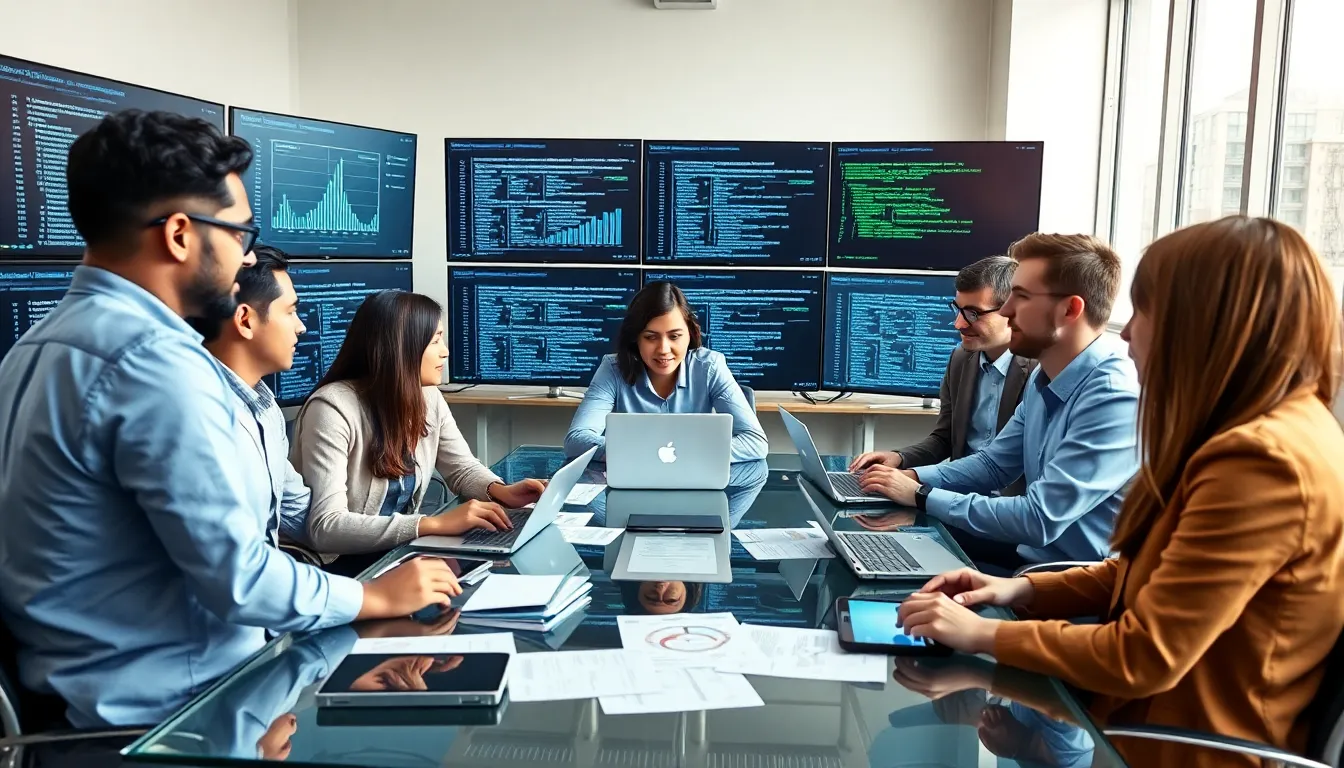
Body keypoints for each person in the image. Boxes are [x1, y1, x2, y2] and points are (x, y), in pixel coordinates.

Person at [0, 110, 459, 729]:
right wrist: (373, 595)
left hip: (85, 702)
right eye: (239, 234)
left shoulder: (33, 348)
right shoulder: (158, 367)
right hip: (170, 716)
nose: (245, 259)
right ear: (182, 235)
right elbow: (240, 578)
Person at [897, 216, 1344, 768]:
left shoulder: (1261, 461)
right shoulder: (1263, 430)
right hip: (1141, 723)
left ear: (1202, 323)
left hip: (1176, 748)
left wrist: (983, 635)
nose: (1128, 332)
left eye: (1145, 312)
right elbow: (1138, 571)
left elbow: (1143, 655)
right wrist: (1018, 592)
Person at [859, 233, 1139, 572]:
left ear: (1069, 310)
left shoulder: (1113, 396)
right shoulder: (1046, 375)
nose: (1005, 310)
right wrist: (912, 476)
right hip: (1030, 560)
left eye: (1020, 297)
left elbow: (1038, 519)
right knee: (875, 549)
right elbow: (993, 466)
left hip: (1070, 582)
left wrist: (920, 495)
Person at [291, 290, 546, 570]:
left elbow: (461, 468)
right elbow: (326, 526)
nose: (445, 350)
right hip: (336, 565)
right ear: (401, 347)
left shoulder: (427, 396)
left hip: (394, 553)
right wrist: (432, 524)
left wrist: (500, 491)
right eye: (435, 340)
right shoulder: (331, 408)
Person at [850, 255, 1036, 566]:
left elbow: (1001, 469)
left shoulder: (1040, 374)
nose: (959, 323)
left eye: (973, 313)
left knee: (885, 542)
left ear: (1012, 312)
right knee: (867, 539)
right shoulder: (961, 359)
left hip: (1005, 520)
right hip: (957, 502)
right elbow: (945, 439)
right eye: (958, 310)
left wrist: (915, 485)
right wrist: (900, 459)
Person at [190, 244, 317, 554]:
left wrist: (411, 532)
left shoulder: (264, 406)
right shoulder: (199, 418)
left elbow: (302, 516)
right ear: (245, 320)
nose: (301, 327)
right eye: (290, 312)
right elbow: (225, 563)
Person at [564, 281, 767, 462]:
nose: (663, 349)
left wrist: (688, 455)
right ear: (636, 338)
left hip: (695, 485)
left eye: (674, 336)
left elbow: (755, 442)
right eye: (651, 337)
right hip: (633, 487)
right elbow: (576, 440)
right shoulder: (613, 368)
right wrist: (643, 453)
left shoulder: (710, 366)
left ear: (690, 334)